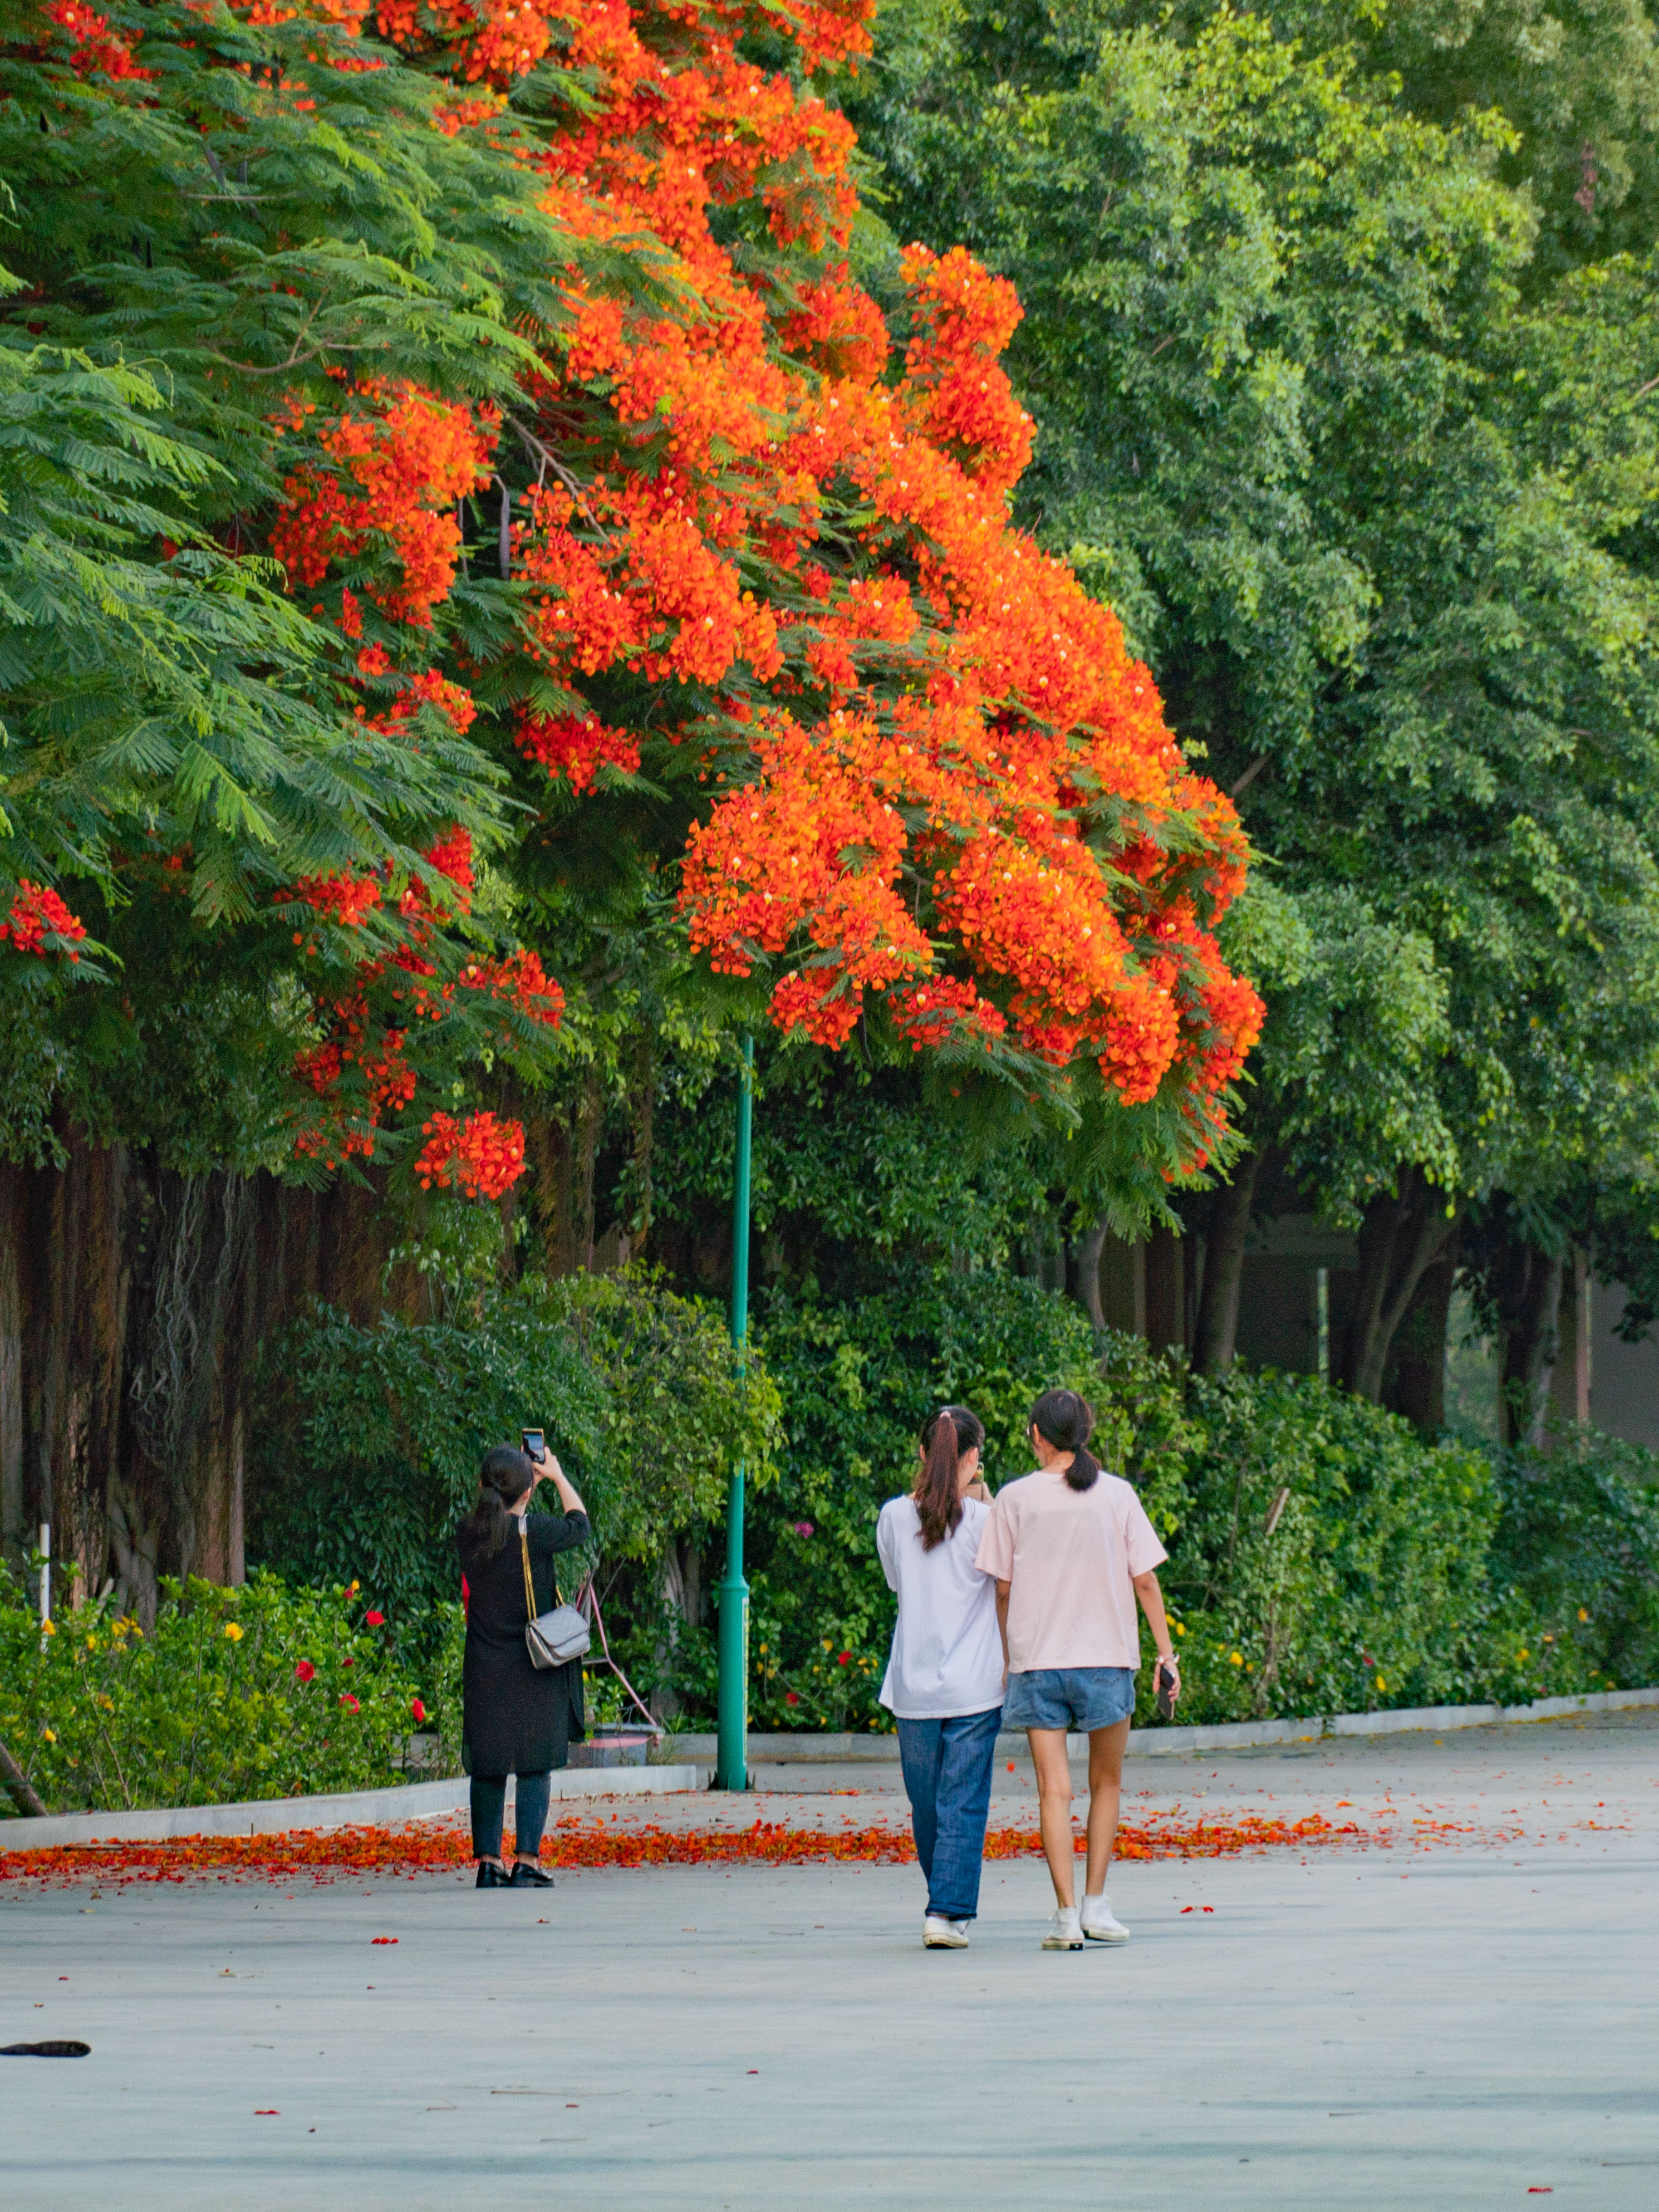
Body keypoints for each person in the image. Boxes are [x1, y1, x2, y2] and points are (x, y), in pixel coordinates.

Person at [975, 1387, 1179, 1950]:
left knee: (1053, 1791)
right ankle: (1096, 1905)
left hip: (1038, 1662)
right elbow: (1145, 1580)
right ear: (1084, 1434)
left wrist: (1008, 1656)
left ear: (1037, 1435)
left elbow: (1001, 1591)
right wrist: (1166, 1655)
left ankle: (1065, 1917)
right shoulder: (1117, 1494)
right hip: (1107, 1659)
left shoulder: (1014, 1499)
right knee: (1106, 1783)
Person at [876, 1405, 1004, 1951]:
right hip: (976, 1684)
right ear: (973, 1459)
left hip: (913, 1685)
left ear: (922, 1452)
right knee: (962, 1803)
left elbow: (896, 1582)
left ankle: (944, 1903)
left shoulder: (893, 1516)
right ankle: (945, 1910)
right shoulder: (986, 1522)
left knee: (927, 1805)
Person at [455, 1436, 590, 1888]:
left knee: (489, 1763)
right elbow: (580, 1524)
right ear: (528, 1491)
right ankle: (527, 1862)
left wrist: (523, 1486)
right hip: (536, 1664)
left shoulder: (467, 1533)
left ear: (481, 1486)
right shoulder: (539, 1533)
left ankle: (488, 1863)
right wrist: (556, 1474)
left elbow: (498, 1522)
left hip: (484, 1664)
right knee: (535, 1763)